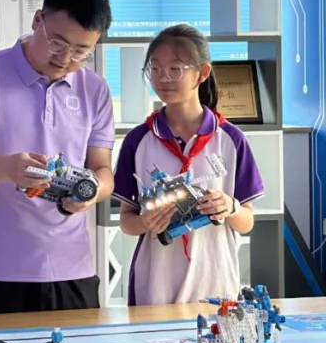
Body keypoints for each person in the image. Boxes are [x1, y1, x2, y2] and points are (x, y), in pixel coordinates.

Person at [0, 0, 115, 315]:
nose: (66, 58)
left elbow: (103, 171)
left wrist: (91, 193)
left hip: (73, 270)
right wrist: (9, 168)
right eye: (58, 43)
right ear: (38, 20)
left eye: (81, 51)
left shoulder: (95, 89)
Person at [113, 24, 265, 305]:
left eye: (175, 69)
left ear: (202, 73)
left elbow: (246, 222)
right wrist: (146, 221)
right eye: (155, 68)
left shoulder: (231, 139)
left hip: (215, 282)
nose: (163, 78)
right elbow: (126, 221)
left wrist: (230, 207)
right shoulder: (138, 140)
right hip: (156, 285)